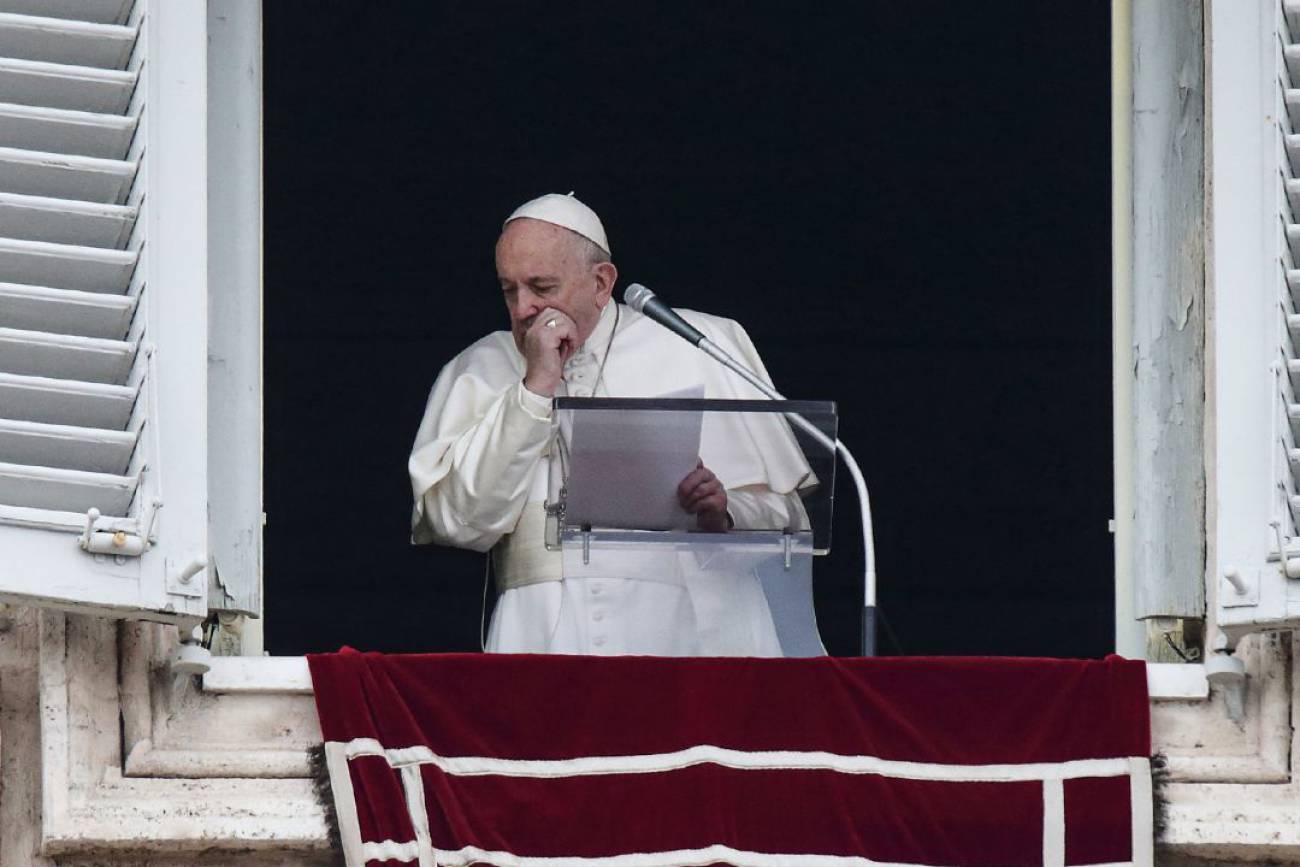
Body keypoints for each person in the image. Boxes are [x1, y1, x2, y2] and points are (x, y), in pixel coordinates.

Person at [409, 193, 810, 656]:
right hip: (540, 638)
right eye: (508, 290)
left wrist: (725, 512)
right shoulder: (479, 368)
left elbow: (790, 517)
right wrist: (533, 390)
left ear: (601, 282)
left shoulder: (698, 344)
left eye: (541, 287)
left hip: (692, 635)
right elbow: (457, 523)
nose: (522, 310)